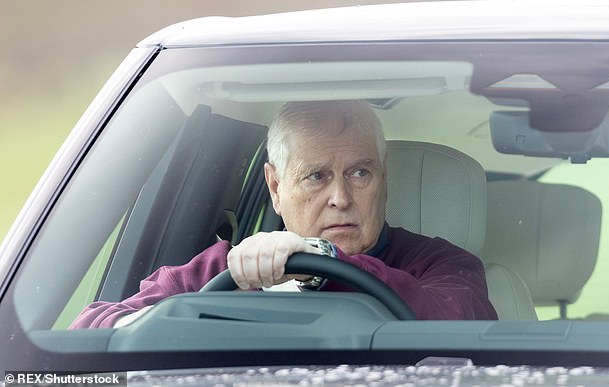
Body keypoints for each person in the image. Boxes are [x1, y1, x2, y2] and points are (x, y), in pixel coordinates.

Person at [70, 100, 497, 329]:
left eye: (360, 173)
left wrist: (319, 261)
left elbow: (454, 319)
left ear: (384, 178)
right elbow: (93, 328)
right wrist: (199, 315)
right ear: (275, 187)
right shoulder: (224, 268)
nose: (340, 198)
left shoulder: (442, 266)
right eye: (316, 177)